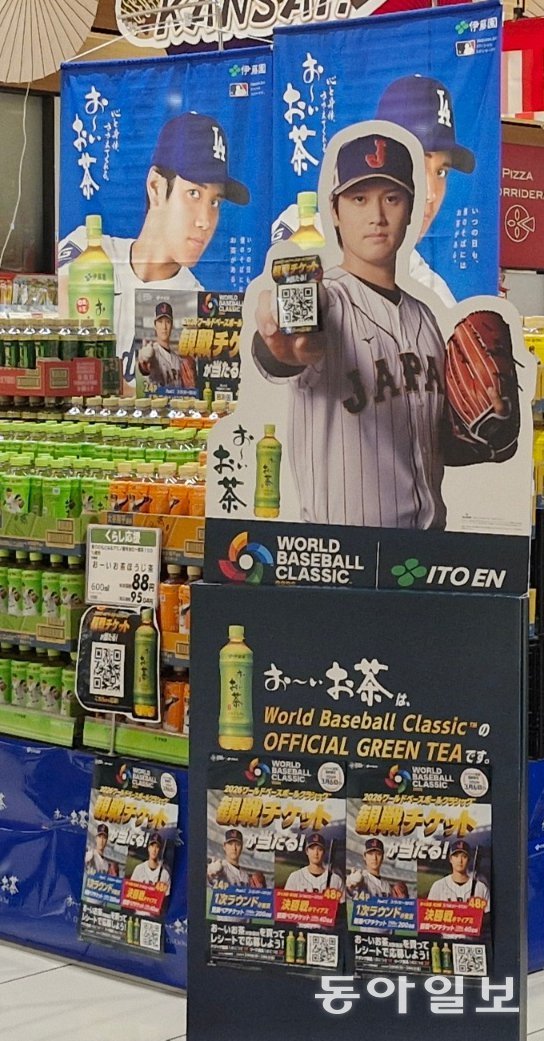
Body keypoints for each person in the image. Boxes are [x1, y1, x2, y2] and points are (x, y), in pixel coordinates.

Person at [254, 129, 510, 529]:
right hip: (343, 552)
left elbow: (426, 444)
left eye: (391, 198)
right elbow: (283, 347)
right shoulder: (328, 302)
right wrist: (281, 346)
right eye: (359, 199)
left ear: (410, 210)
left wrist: (487, 435)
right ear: (335, 211)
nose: (377, 215)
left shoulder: (426, 319)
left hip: (427, 546)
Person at [59, 111, 249, 385]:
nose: (205, 221)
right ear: (156, 187)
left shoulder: (198, 303)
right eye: (194, 193)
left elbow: (172, 396)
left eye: (214, 202)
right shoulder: (89, 250)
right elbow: (55, 320)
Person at [375, 74, 475, 306]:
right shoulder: (310, 239)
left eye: (441, 172)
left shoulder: (429, 291)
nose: (430, 194)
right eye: (416, 165)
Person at [138, 300, 197, 390]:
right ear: (155, 325)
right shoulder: (152, 354)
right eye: (160, 322)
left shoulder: (177, 359)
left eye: (168, 322)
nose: (164, 327)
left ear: (172, 325)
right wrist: (144, 360)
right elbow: (145, 369)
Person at [427, 839, 490, 907]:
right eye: (456, 856)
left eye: (464, 856)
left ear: (469, 860)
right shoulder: (438, 886)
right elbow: (429, 911)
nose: (460, 860)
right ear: (450, 859)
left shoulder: (481, 888)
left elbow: (488, 913)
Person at [284, 832, 344, 897]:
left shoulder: (336, 880)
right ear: (307, 851)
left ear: (324, 852)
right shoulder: (295, 877)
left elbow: (342, 902)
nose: (316, 853)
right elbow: (285, 901)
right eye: (312, 849)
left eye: (320, 849)